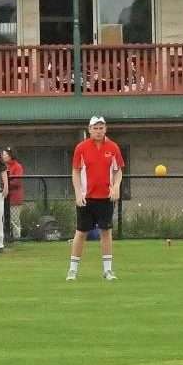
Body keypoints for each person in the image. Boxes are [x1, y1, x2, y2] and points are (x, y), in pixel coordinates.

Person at [67, 116, 124, 281]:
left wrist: (116, 186)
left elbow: (118, 171)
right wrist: (78, 192)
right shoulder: (81, 148)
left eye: (101, 128)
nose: (98, 131)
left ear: (105, 129)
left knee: (106, 232)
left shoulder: (113, 147)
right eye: (95, 128)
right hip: (86, 198)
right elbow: (76, 171)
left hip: (106, 197)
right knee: (81, 232)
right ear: (89, 129)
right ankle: (72, 270)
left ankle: (108, 270)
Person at [3, 148, 25, 242]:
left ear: (11, 155)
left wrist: (5, 184)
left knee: (14, 219)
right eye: (3, 154)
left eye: (5, 154)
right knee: (5, 219)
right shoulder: (3, 166)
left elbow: (17, 182)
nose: (3, 156)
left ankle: (16, 238)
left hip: (14, 198)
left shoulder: (17, 166)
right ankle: (6, 238)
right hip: (4, 197)